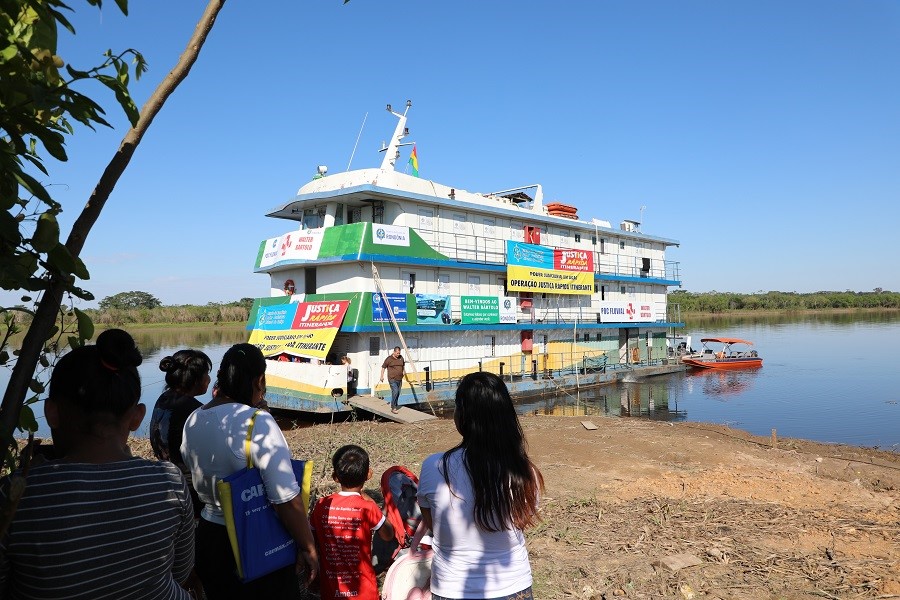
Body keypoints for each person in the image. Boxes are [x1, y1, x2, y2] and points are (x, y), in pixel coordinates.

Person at [0, 329, 199, 599]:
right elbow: (181, 573)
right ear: (136, 417)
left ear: (51, 412)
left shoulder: (14, 497)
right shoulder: (169, 481)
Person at [180, 343, 317, 599]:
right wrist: (308, 546)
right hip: (254, 539)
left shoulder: (194, 418)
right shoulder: (258, 421)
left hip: (209, 537)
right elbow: (285, 499)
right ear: (259, 380)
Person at [418, 372, 544, 600]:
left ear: (463, 415)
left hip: (451, 589)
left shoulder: (433, 467)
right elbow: (519, 523)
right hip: (514, 588)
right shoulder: (526, 473)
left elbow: (434, 526)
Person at [310, 445, 394, 600]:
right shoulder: (368, 507)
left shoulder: (322, 505)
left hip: (331, 590)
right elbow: (388, 534)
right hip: (364, 592)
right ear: (369, 474)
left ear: (335, 476)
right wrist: (373, 504)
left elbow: (311, 538)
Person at [149, 348, 212, 518]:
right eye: (206, 374)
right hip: (189, 487)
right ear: (195, 379)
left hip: (166, 475)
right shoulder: (194, 410)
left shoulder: (164, 398)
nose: (209, 379)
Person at [379, 346, 405, 413]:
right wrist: (381, 376)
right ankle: (393, 408)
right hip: (392, 378)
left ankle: (395, 404)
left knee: (398, 393)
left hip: (399, 378)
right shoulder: (389, 359)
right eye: (397, 353)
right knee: (395, 391)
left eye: (399, 353)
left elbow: (403, 365)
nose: (398, 354)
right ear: (394, 352)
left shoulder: (401, 358)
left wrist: (404, 371)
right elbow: (383, 367)